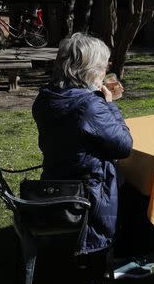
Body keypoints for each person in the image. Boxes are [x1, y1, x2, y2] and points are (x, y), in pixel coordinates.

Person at [32, 33, 133, 256]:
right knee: (137, 181)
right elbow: (124, 145)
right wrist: (109, 105)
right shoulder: (89, 106)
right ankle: (123, 248)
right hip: (88, 194)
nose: (106, 69)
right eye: (104, 65)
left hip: (56, 180)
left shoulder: (46, 97)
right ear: (91, 69)